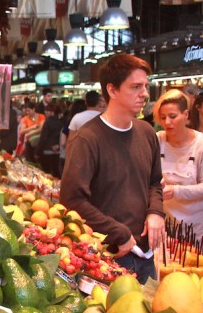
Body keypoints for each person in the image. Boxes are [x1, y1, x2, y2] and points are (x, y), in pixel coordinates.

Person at [61, 54, 165, 283]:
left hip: (146, 257)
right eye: (136, 87)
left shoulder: (147, 133)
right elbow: (72, 199)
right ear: (112, 90)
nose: (145, 94)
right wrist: (119, 233)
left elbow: (154, 182)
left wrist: (156, 211)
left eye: (146, 86)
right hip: (109, 257)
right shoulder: (88, 139)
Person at [154, 90, 203, 243]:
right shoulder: (158, 139)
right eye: (163, 118)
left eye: (172, 117)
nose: (167, 122)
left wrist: (174, 191)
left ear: (186, 114)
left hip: (201, 222)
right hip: (170, 220)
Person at [35, 103, 65, 177]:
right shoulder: (61, 122)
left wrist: (37, 152)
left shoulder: (48, 122)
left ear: (52, 112)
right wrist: (58, 145)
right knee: (57, 174)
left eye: (47, 110)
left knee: (47, 175)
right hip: (58, 152)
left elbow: (43, 138)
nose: (45, 112)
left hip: (47, 151)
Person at [59, 99, 86, 176]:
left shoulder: (68, 123)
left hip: (66, 157)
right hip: (81, 159)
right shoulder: (90, 123)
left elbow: (63, 143)